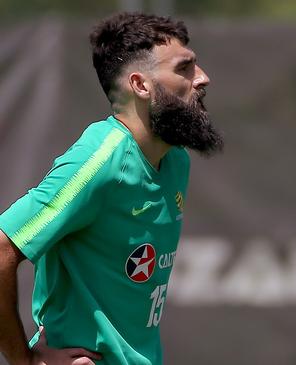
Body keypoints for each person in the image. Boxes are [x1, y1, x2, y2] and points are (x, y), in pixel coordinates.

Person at [0, 12, 222, 365]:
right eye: (185, 68)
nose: (203, 78)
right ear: (141, 84)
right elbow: (1, 250)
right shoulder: (101, 160)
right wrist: (22, 361)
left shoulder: (175, 159)